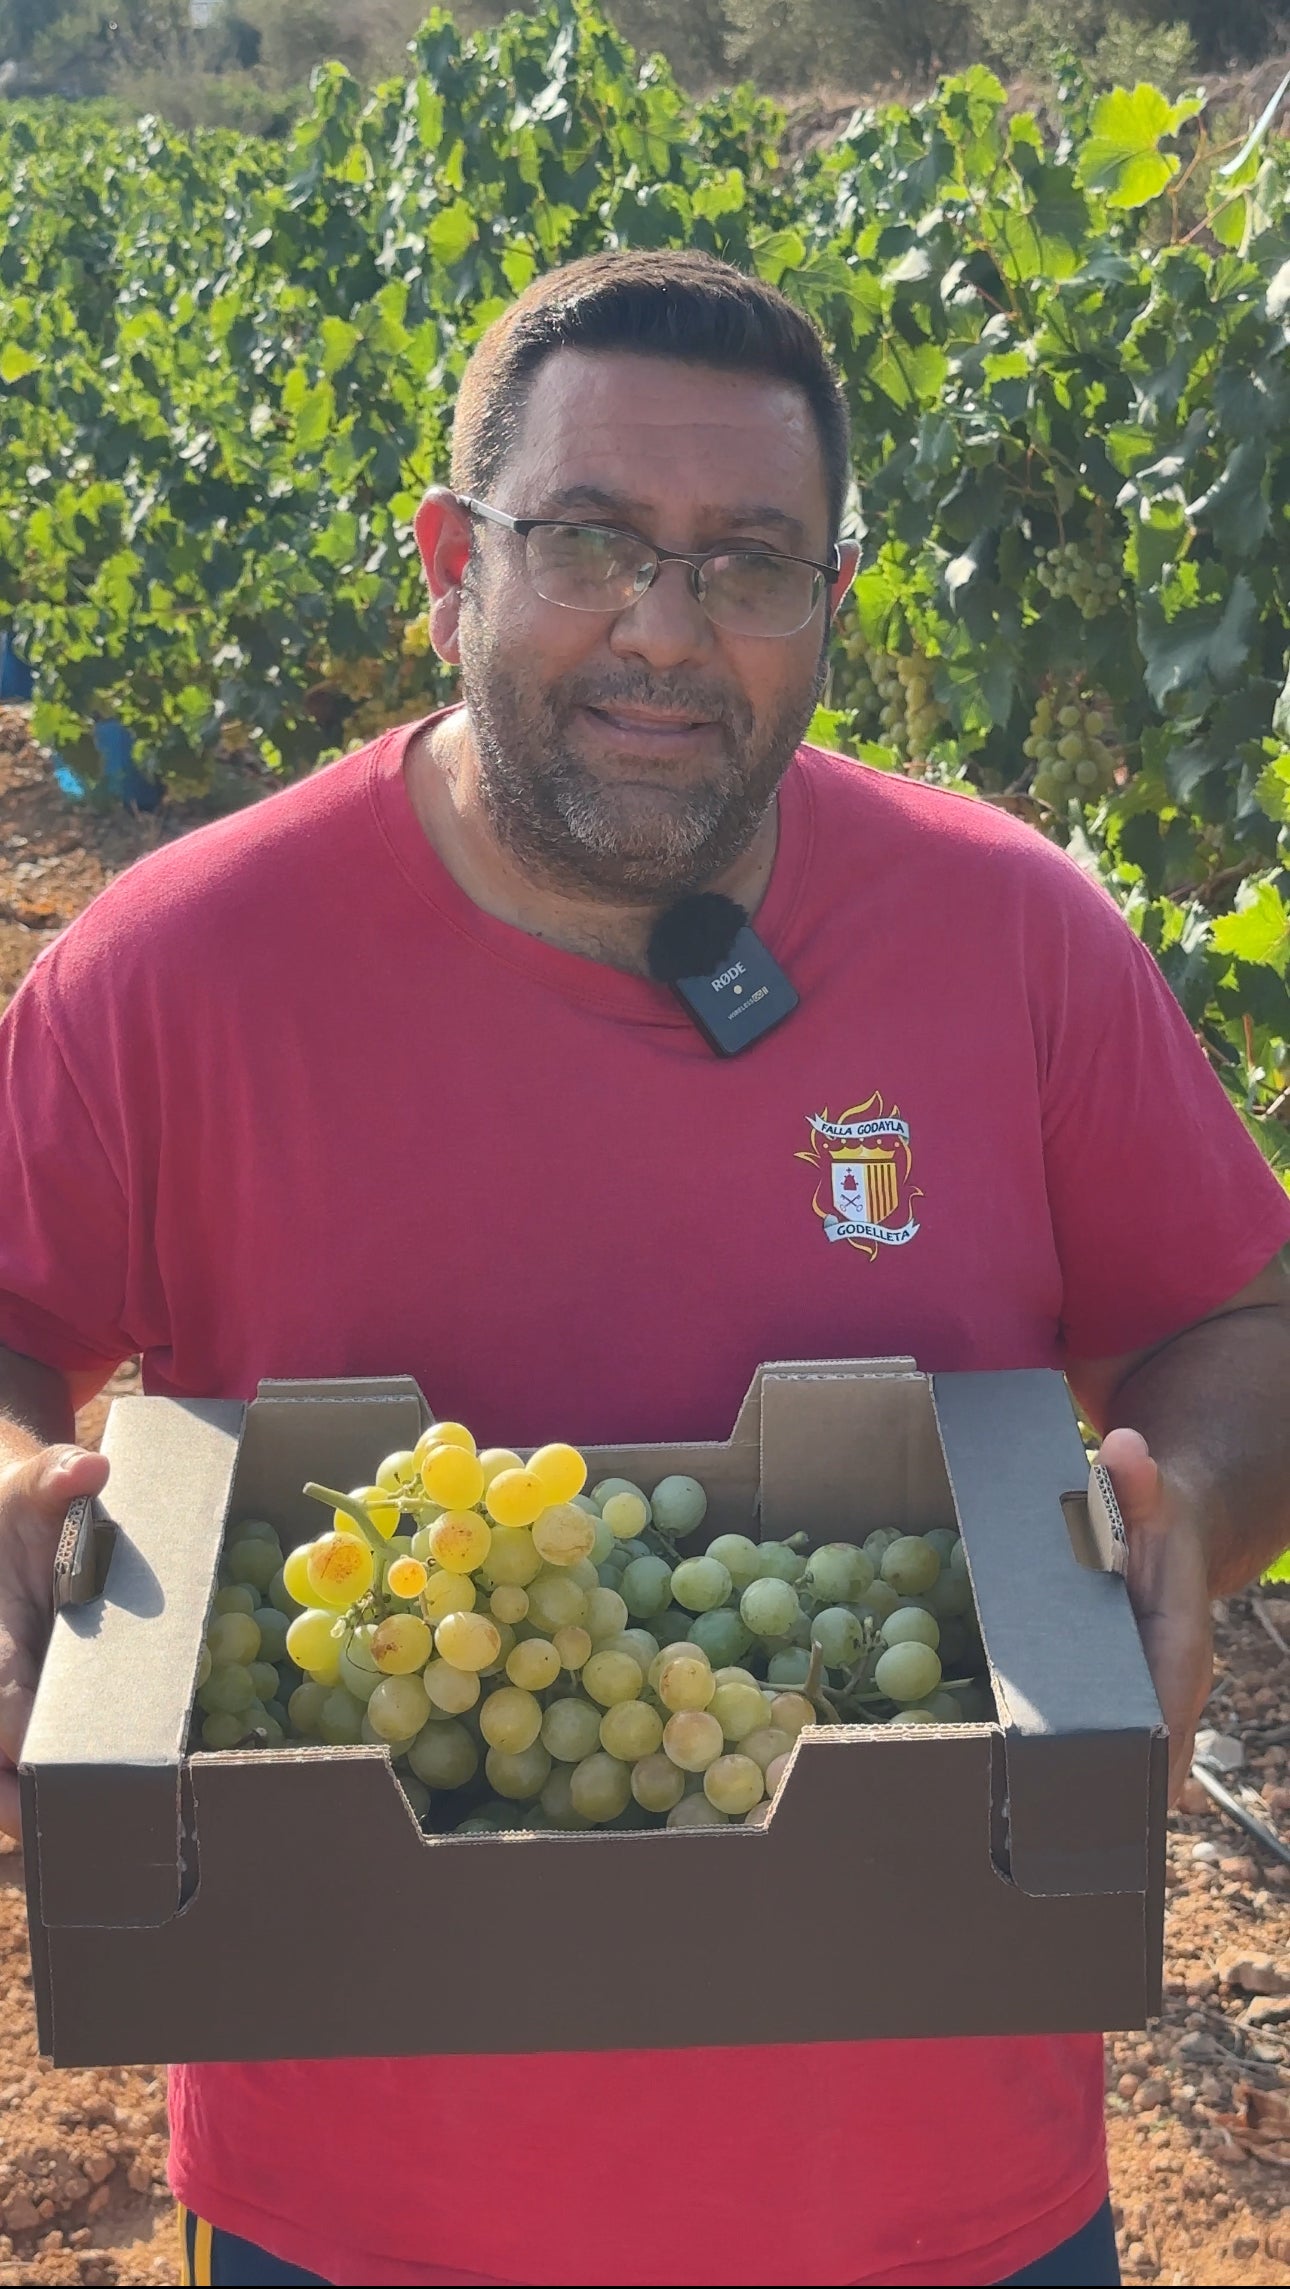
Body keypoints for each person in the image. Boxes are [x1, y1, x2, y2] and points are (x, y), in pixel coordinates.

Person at [1, 248, 1288, 2289]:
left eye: (751, 561)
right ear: (449, 559)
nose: (668, 634)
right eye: (591, 540)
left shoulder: (1017, 938)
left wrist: (1196, 1510)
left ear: (834, 607)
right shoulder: (172, 976)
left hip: (942, 2199)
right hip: (360, 2215)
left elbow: (1240, 1315)